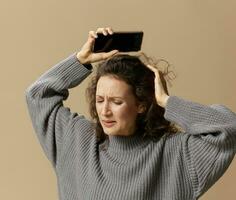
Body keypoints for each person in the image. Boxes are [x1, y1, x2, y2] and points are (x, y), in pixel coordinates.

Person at [25, 27, 236, 200]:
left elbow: (228, 127)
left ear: (141, 105)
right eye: (100, 100)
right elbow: (37, 95)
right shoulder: (78, 141)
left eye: (116, 102)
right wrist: (81, 60)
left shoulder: (175, 154)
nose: (104, 111)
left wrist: (167, 102)